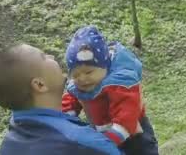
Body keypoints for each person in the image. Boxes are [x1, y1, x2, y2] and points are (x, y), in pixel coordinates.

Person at [0, 44, 121, 155]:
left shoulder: (11, 141)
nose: (52, 56)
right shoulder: (82, 141)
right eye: (44, 57)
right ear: (40, 85)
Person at [62, 26, 159, 155]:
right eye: (75, 75)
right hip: (104, 135)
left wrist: (106, 142)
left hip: (133, 134)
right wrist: (67, 120)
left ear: (105, 66)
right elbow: (69, 100)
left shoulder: (120, 84)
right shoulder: (79, 86)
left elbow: (127, 115)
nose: (82, 79)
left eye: (88, 72)